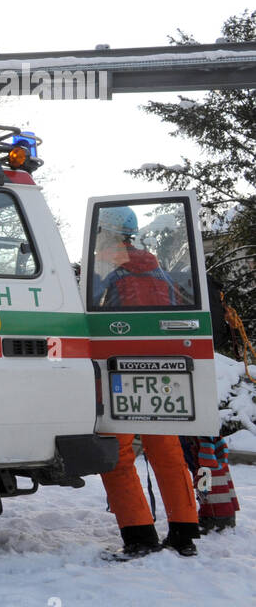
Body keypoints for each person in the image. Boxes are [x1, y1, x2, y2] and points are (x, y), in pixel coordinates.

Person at [92, 206, 200, 558]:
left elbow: (89, 309)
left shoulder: (105, 265)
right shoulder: (157, 267)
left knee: (117, 452)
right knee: (166, 450)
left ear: (106, 233)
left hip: (120, 368)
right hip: (163, 368)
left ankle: (139, 535)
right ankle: (184, 532)